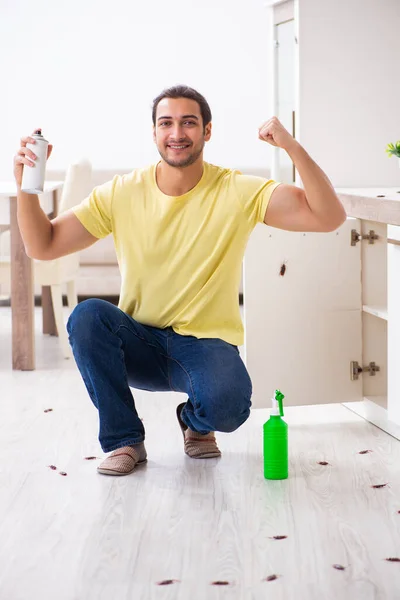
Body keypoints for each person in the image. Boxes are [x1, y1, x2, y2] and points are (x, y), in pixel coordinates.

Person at [13, 85, 346, 476]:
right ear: (153, 133)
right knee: (87, 316)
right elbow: (43, 244)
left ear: (207, 131)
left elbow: (329, 217)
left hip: (205, 346)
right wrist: (25, 185)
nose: (177, 133)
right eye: (166, 123)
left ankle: (195, 422)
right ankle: (124, 441)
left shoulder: (237, 190)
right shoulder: (121, 192)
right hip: (139, 341)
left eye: (189, 123)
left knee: (229, 406)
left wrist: (291, 146)